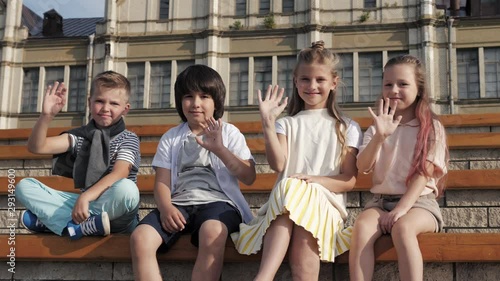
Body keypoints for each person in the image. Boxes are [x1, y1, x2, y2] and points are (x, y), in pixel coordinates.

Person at [231, 41, 362, 281]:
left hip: (326, 207)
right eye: (305, 79)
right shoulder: (286, 124)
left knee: (296, 192)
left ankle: (264, 277)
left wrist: (314, 181)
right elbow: (278, 164)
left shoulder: (347, 127)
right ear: (295, 81)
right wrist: (268, 124)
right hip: (284, 207)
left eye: (320, 80)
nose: (312, 86)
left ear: (333, 83)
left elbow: (348, 180)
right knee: (292, 189)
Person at [130, 64, 256, 281]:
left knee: (212, 233)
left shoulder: (229, 132)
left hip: (219, 204)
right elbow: (162, 182)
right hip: (180, 204)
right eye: (188, 96)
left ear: (216, 101)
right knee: (140, 237)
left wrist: (220, 149)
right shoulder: (171, 137)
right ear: (180, 101)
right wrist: (166, 207)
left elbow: (248, 176)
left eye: (204, 96)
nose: (196, 103)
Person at [348, 55, 449, 281]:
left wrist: (400, 210)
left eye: (403, 84)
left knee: (402, 229)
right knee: (361, 229)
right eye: (388, 84)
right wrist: (379, 137)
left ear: (419, 89)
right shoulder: (377, 127)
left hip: (419, 203)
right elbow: (362, 166)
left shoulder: (431, 127)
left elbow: (424, 174)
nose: (394, 90)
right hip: (379, 202)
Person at [16, 71, 141, 240]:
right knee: (24, 186)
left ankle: (56, 222)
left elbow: (120, 173)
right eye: (99, 101)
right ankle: (83, 226)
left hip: (117, 214)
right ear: (89, 102)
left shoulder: (128, 138)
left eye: (114, 103)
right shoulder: (81, 136)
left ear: (125, 109)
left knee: (128, 190)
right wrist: (47, 116)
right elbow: (37, 147)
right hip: (86, 205)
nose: (105, 108)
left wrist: (86, 196)